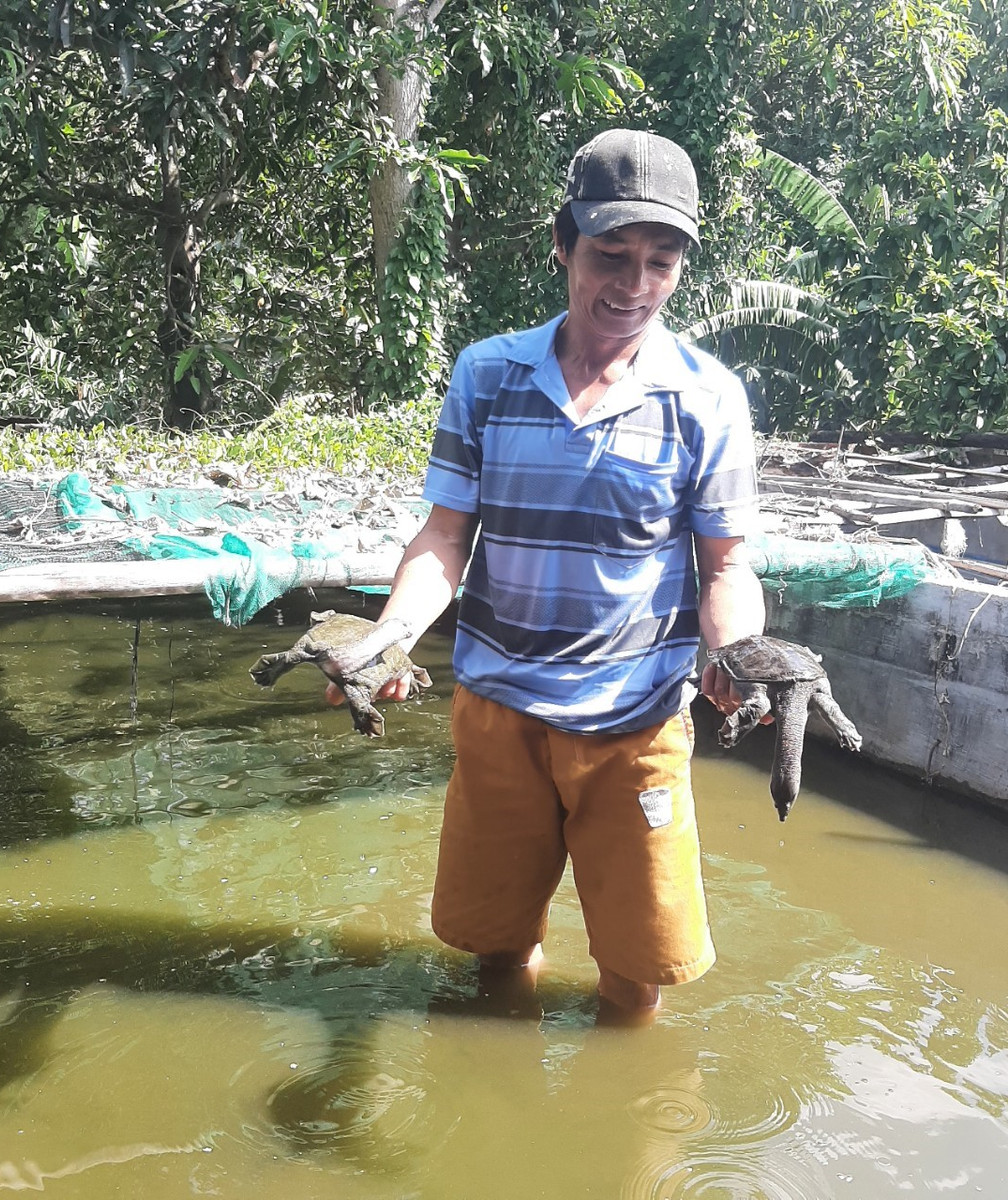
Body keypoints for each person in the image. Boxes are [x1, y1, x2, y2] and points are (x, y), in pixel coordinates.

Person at [327, 128, 766, 1021]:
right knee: (497, 950)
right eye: (611, 255)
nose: (634, 286)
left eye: (660, 262)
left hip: (636, 722)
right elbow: (445, 535)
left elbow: (724, 565)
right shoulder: (488, 376)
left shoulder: (708, 396)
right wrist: (389, 639)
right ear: (563, 244)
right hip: (500, 714)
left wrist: (739, 657)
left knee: (637, 975)